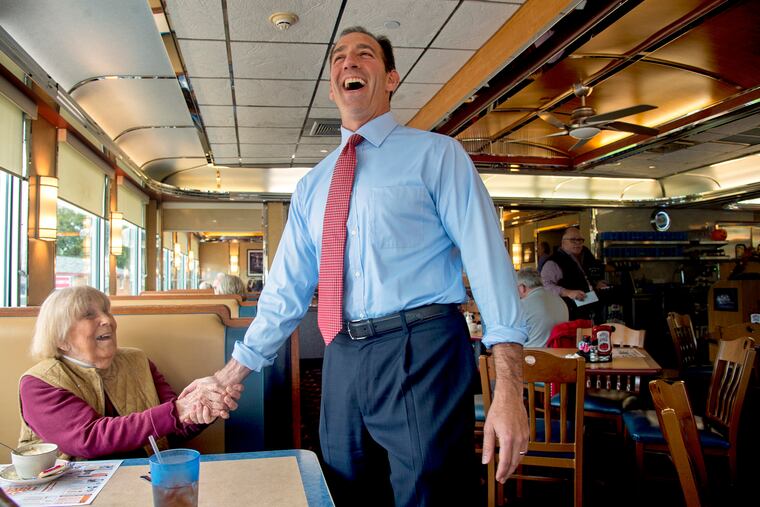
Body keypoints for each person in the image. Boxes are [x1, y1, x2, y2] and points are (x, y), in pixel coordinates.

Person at [179, 26, 527, 506]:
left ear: (390, 78)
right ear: (331, 86)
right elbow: (284, 294)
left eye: (364, 55)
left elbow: (489, 264)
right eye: (339, 57)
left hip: (422, 347)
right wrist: (229, 376)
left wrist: (510, 389)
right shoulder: (311, 187)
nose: (349, 62)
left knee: (429, 492)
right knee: (342, 484)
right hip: (342, 352)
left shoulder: (436, 155)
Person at [17, 286, 240, 460]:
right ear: (60, 338)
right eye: (88, 315)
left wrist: (204, 410)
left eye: (106, 311)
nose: (107, 320)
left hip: (144, 478)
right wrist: (180, 409)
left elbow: (171, 430)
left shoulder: (138, 361)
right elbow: (89, 439)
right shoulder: (38, 383)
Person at [540, 227, 607, 320]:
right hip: (568, 315)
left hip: (586, 311)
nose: (577, 243)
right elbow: (545, 286)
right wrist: (567, 292)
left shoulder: (582, 256)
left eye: (580, 240)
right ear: (563, 242)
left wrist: (595, 285)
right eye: (573, 240)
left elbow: (583, 279)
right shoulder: (554, 262)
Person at [516, 268, 568, 347]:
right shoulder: (559, 300)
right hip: (558, 354)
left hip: (533, 356)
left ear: (522, 287)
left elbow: (513, 337)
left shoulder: (522, 305)